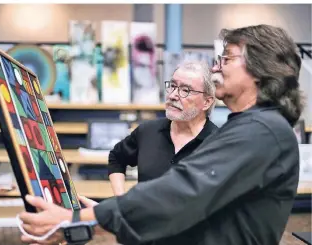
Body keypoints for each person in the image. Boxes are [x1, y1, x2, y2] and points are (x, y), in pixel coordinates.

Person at [19, 24, 304, 245]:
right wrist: (108, 215)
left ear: (260, 69)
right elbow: (185, 210)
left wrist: (77, 220)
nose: (216, 67)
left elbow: (178, 195)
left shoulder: (261, 132)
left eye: (227, 58)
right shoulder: (252, 128)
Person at [108, 60, 218, 196]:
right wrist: (120, 201)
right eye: (172, 86)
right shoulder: (147, 132)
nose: (172, 95)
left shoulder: (218, 145)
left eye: (185, 90)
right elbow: (116, 158)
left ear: (207, 102)